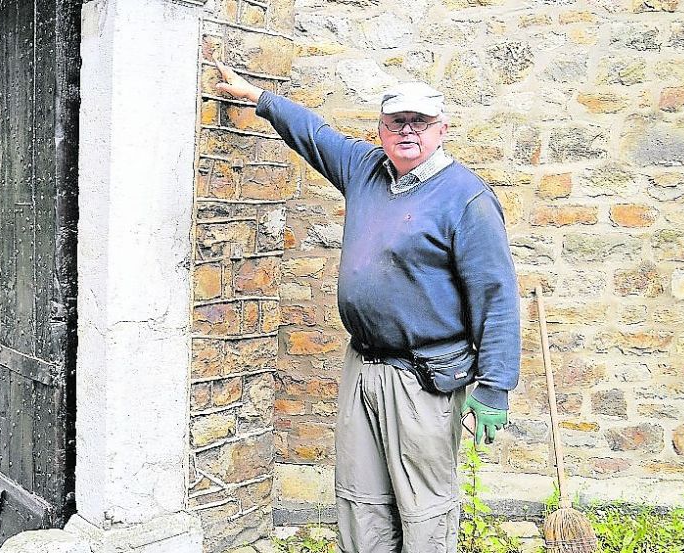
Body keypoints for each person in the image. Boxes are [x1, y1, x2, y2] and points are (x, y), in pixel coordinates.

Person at [215, 60, 521, 553]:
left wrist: (496, 385)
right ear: (380, 129)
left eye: (419, 122)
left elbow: (497, 295)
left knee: (423, 508)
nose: (407, 131)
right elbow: (313, 134)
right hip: (363, 365)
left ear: (441, 130)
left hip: (425, 377)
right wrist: (259, 99)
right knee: (361, 501)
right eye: (396, 122)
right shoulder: (364, 169)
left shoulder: (467, 198)